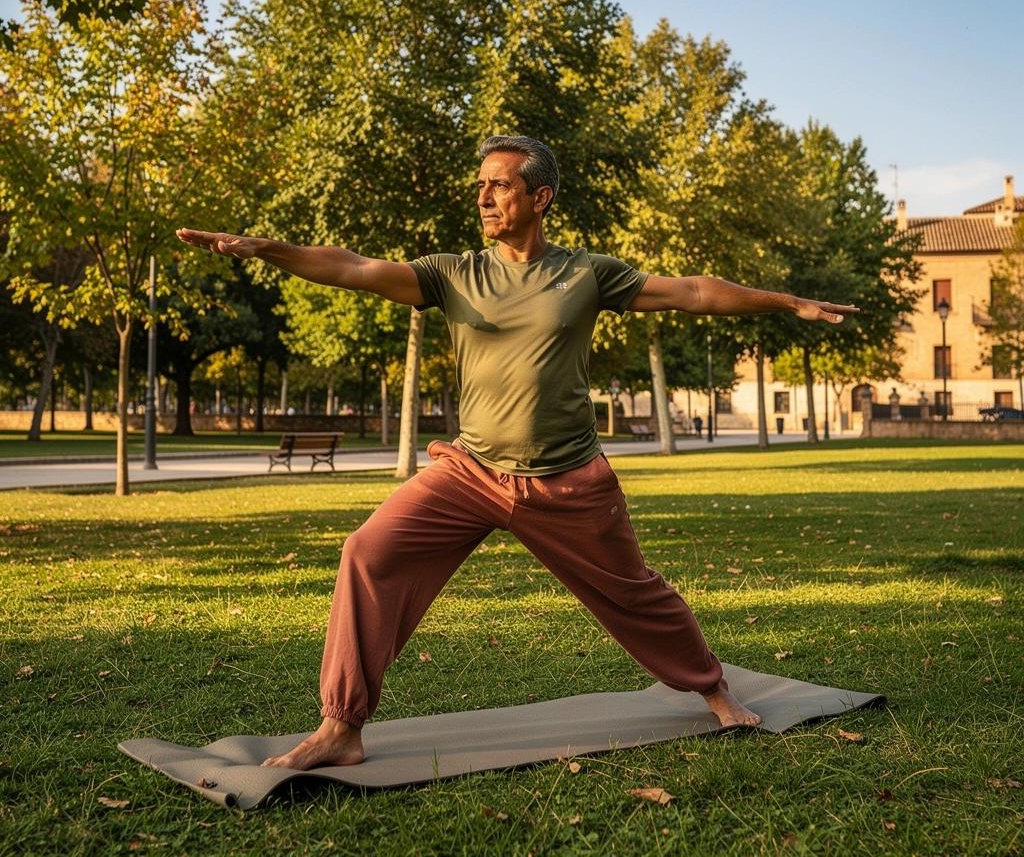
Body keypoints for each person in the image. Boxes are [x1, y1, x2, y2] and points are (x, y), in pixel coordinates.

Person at [176, 135, 857, 770]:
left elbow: (694, 292)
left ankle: (714, 692)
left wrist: (785, 301)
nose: (483, 198)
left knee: (635, 594)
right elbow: (355, 267)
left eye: (499, 186)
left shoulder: (587, 275)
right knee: (367, 552)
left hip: (567, 481)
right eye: (480, 186)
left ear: (540, 198)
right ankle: (340, 728)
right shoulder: (454, 274)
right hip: (470, 472)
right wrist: (265, 249)